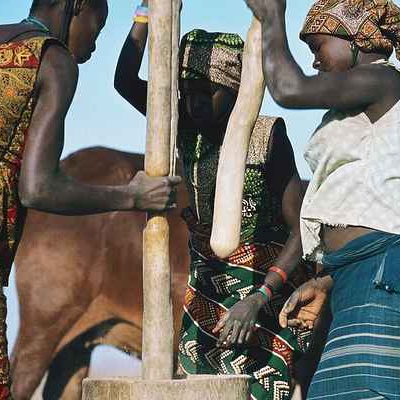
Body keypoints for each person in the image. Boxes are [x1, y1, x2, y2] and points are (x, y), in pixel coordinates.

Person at [0, 0, 180, 398]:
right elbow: (38, 187)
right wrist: (132, 197)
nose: (93, 46)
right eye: (97, 29)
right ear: (76, 6)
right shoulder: (53, 61)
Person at [242, 0, 400, 398]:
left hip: (387, 276)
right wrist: (328, 280)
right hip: (357, 279)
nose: (315, 61)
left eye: (318, 48)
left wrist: (272, 16)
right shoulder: (353, 109)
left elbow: (288, 88)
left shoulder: (385, 82)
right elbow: (345, 200)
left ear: (354, 38)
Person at [114, 4, 314, 399]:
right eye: (188, 93)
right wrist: (146, 14)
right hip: (206, 283)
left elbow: (302, 228)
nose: (196, 103)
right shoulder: (184, 128)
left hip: (266, 282)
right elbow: (124, 80)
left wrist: (261, 296)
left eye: (208, 91)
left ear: (235, 87)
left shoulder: (267, 136)